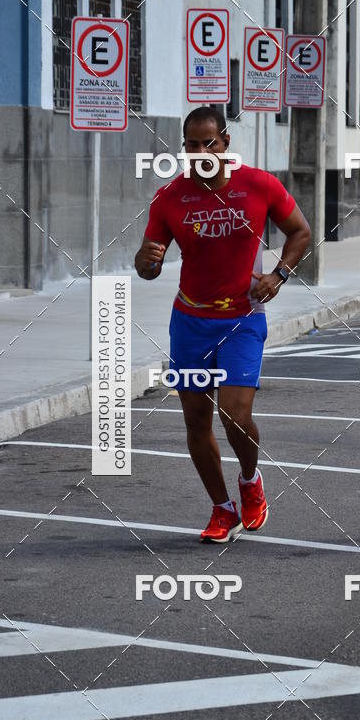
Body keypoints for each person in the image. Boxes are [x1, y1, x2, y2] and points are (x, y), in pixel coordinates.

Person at [135, 107, 311, 543]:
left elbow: (301, 232)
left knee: (235, 414)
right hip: (191, 320)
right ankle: (221, 508)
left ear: (225, 142)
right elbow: (148, 263)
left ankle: (250, 481)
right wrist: (145, 263)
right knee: (196, 419)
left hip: (242, 318)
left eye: (208, 143)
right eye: (191, 145)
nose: (200, 152)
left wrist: (278, 275)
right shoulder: (170, 197)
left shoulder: (259, 185)